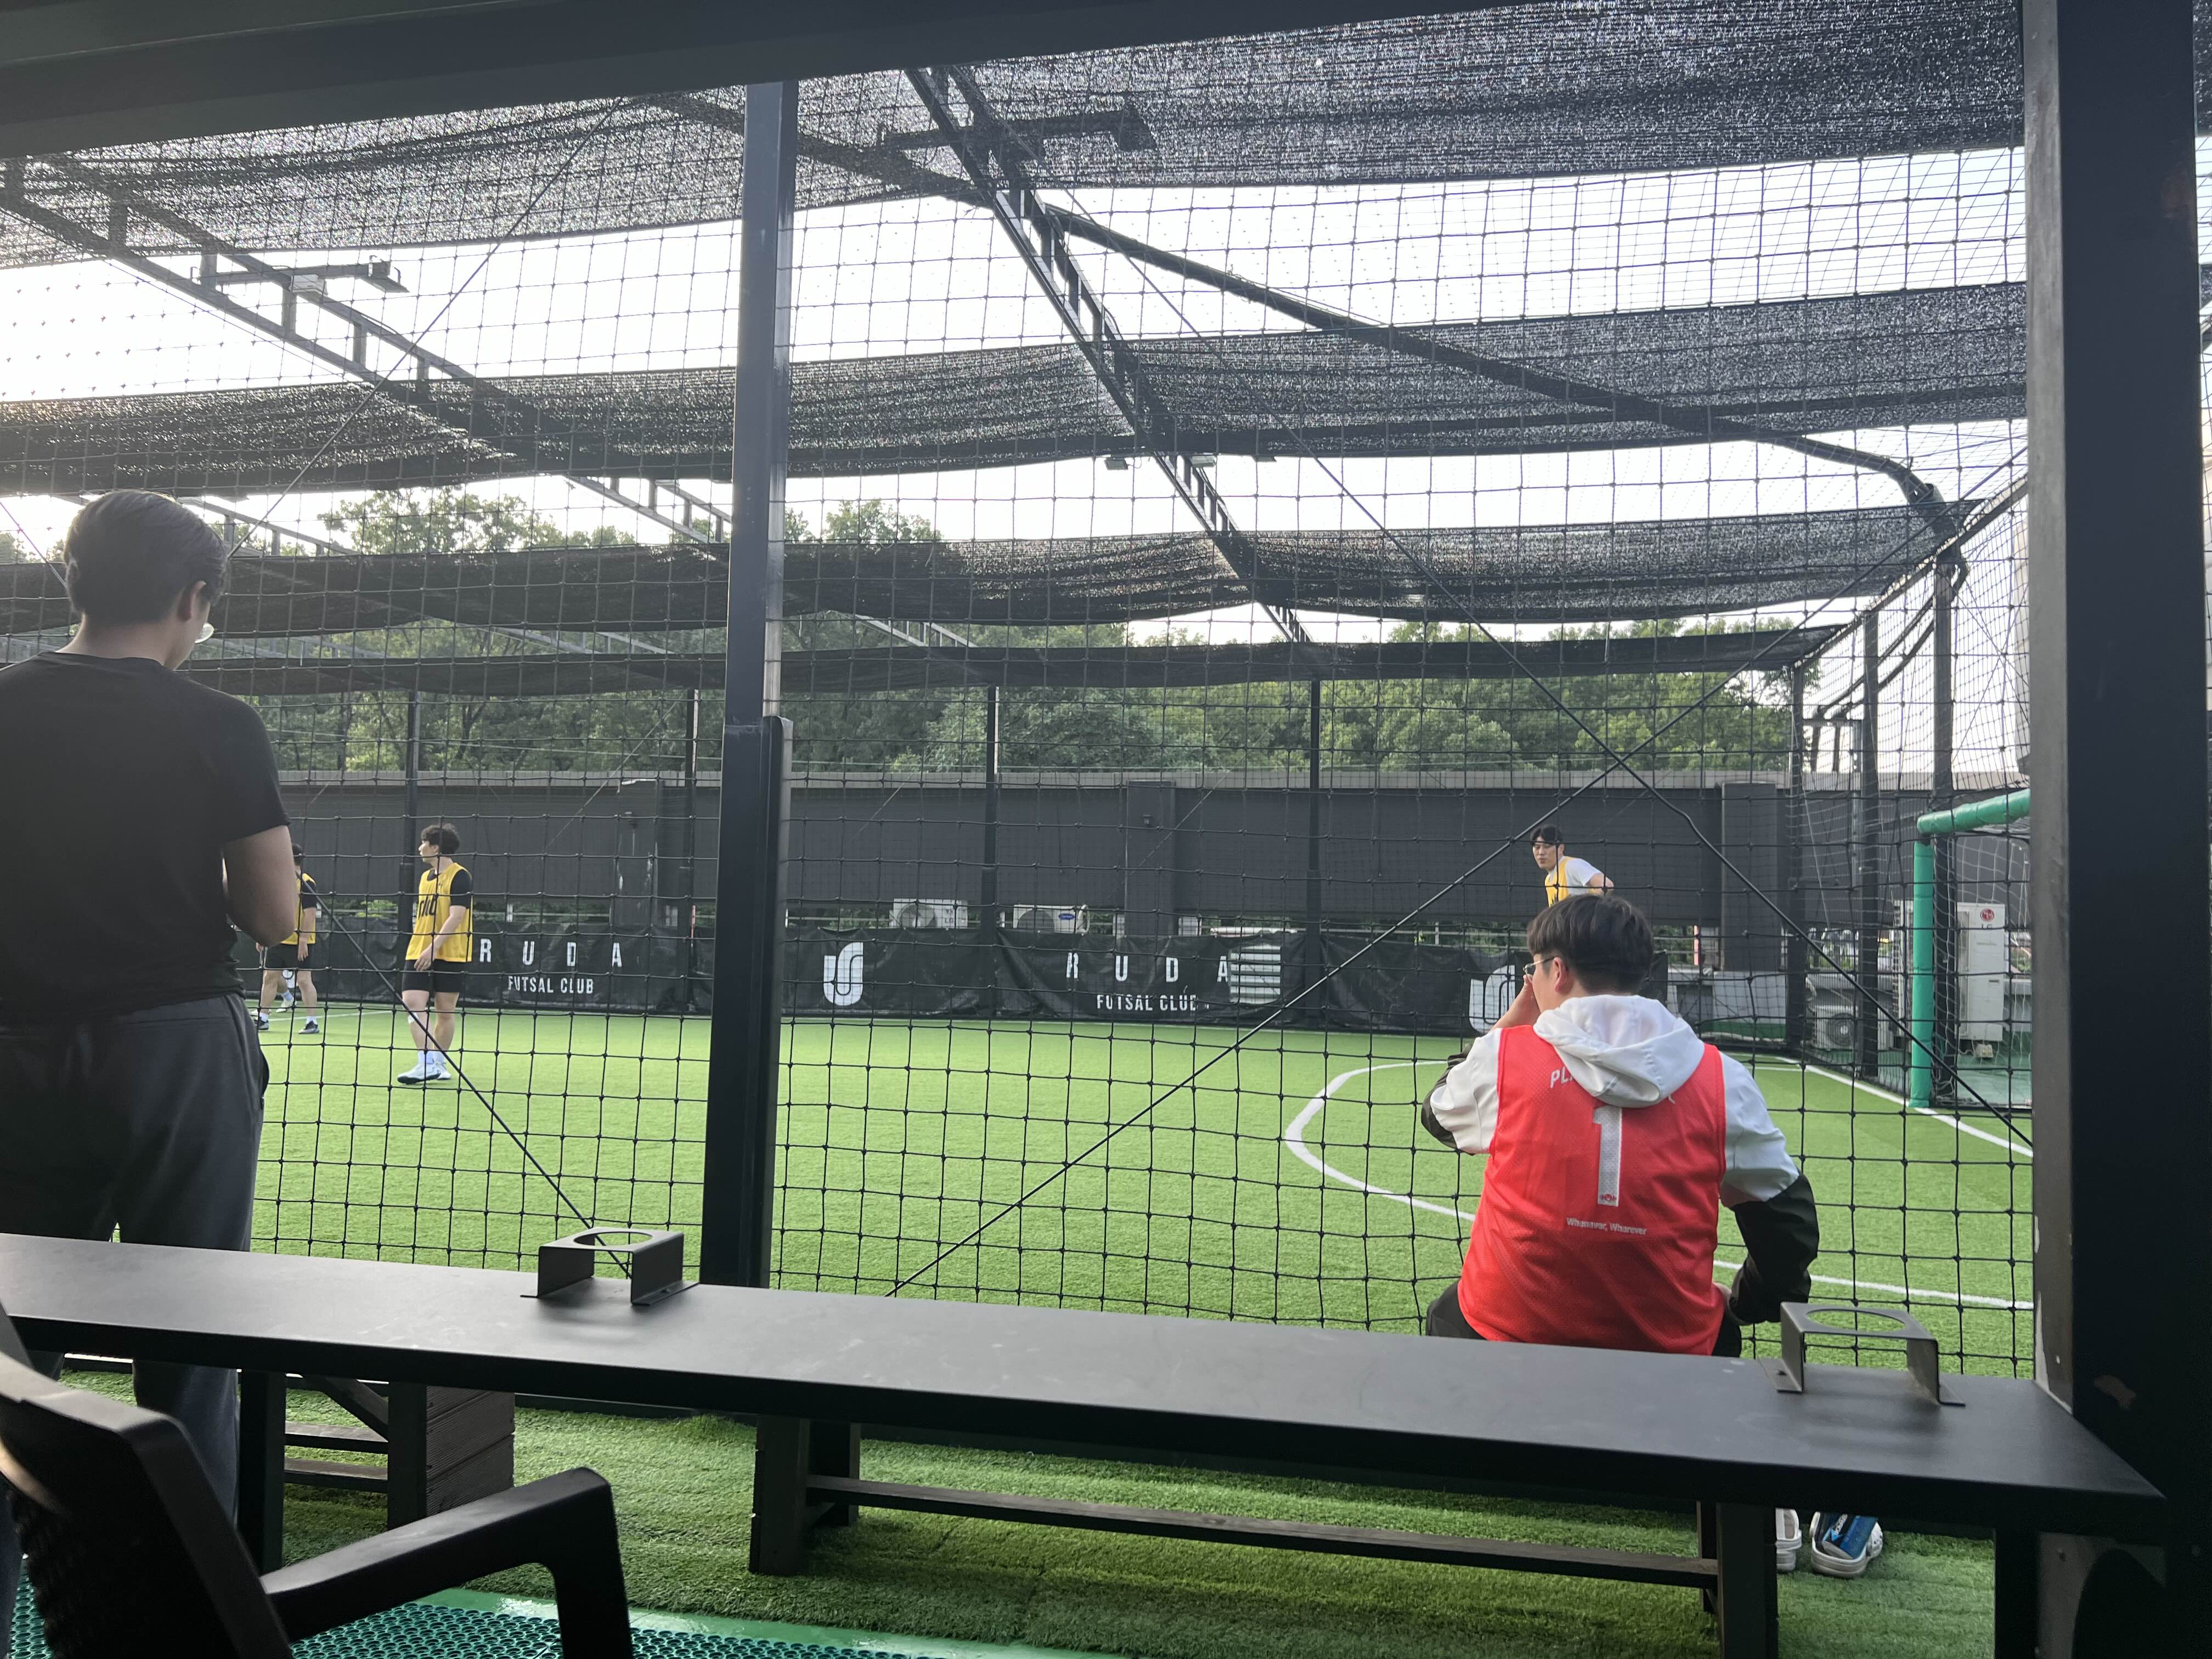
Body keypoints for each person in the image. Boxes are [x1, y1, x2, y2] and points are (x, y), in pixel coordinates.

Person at [0, 490, 298, 1643]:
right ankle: (190, 1631)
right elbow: (271, 916)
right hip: (176, 1051)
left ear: (71, 583)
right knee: (194, 1357)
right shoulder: (219, 723)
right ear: (193, 596)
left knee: (13, 1361)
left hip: (15, 1054)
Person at [1419, 895, 1874, 1576]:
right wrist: (1749, 1301)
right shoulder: (1721, 1077)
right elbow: (1789, 1226)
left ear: (1556, 972)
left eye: (1533, 970)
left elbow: (1438, 1113)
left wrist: (1511, 1024)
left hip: (1509, 1354)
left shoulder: (1505, 1059)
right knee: (1720, 1330)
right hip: (1671, 1367)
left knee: (1447, 1313)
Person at [399, 823, 473, 1084]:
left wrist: (435, 948)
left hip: (451, 953)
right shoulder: (425, 878)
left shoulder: (460, 876)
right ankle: (427, 1062)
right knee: (412, 1002)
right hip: (419, 950)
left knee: (445, 1011)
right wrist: (426, 948)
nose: (420, 848)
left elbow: (457, 916)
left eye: (424, 843)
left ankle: (438, 1064)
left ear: (436, 847)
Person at [256, 843, 320, 1035]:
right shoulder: (278, 880)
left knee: (304, 981)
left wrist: (303, 940)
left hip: (301, 942)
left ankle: (312, 1022)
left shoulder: (307, 882)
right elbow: (272, 910)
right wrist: (264, 935)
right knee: (270, 977)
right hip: (278, 939)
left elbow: (310, 913)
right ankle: (263, 1018)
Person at [1530, 823, 1612, 906]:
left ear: (1561, 848)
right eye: (1537, 847)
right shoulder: (1548, 880)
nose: (1541, 853)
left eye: (1547, 846)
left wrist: (1584, 909)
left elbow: (1606, 885)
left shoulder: (1572, 865)